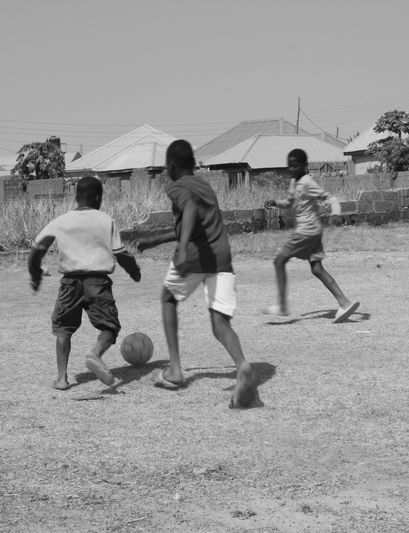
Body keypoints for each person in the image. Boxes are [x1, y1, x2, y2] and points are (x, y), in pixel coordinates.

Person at [136, 139, 257, 409]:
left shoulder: (177, 186)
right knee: (220, 323)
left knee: (168, 299)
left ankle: (175, 369)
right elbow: (191, 222)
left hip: (195, 256)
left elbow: (189, 209)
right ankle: (242, 365)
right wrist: (155, 241)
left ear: (171, 166)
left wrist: (182, 250)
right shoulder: (205, 186)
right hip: (221, 256)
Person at [28, 176, 141, 390]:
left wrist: (35, 274)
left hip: (69, 283)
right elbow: (120, 253)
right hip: (98, 282)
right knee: (110, 326)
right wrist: (134, 270)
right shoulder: (105, 220)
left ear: (76, 196)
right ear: (98, 197)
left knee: (63, 330)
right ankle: (95, 353)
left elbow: (37, 249)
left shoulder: (61, 221)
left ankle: (61, 379)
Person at [263, 148, 359, 322]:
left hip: (305, 232)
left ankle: (282, 306)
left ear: (304, 166)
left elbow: (330, 197)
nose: (291, 169)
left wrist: (335, 213)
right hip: (314, 232)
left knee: (279, 261)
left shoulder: (307, 182)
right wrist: (276, 202)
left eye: (295, 165)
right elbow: (289, 203)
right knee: (317, 269)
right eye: (289, 165)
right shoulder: (294, 182)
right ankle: (344, 303)